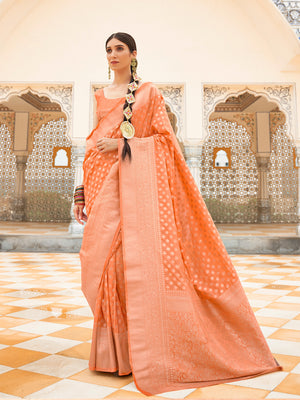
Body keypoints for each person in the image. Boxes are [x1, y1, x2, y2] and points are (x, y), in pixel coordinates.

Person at [74, 32, 283, 397]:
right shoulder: (99, 96)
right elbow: (93, 144)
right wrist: (79, 192)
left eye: (119, 49)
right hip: (99, 184)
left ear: (133, 54)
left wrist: (125, 144)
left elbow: (165, 142)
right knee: (101, 264)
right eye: (108, 50)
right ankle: (112, 355)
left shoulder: (147, 94)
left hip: (130, 189)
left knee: (123, 265)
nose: (112, 54)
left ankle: (137, 356)